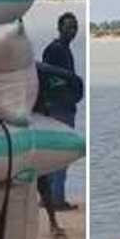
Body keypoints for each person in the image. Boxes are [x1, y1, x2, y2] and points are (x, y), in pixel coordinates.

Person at [34, 62, 84, 239]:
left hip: (36, 124)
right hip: (22, 124)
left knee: (43, 178)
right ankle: (53, 221)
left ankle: (53, 222)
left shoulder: (36, 73)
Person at [41, 12, 81, 211]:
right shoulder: (55, 49)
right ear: (59, 27)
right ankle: (56, 199)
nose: (72, 31)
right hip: (58, 108)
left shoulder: (64, 49)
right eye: (68, 26)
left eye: (74, 27)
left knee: (55, 155)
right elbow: (47, 76)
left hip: (62, 106)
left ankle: (51, 197)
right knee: (62, 154)